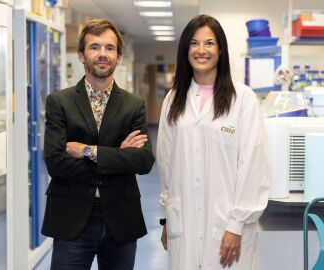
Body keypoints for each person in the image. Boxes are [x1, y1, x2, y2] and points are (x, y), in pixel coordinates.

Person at [156, 15, 270, 270]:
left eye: (209, 43)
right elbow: (166, 162)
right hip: (183, 220)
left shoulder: (243, 99)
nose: (201, 50)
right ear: (186, 49)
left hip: (227, 224)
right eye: (194, 43)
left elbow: (252, 165)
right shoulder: (173, 99)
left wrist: (236, 225)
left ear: (220, 50)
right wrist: (168, 218)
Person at [41, 19, 155, 270]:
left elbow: (144, 161)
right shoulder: (60, 102)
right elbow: (56, 163)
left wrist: (87, 151)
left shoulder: (133, 105)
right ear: (82, 55)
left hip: (121, 217)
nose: (102, 54)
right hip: (72, 216)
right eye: (94, 47)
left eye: (109, 48)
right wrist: (119, 158)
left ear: (119, 55)